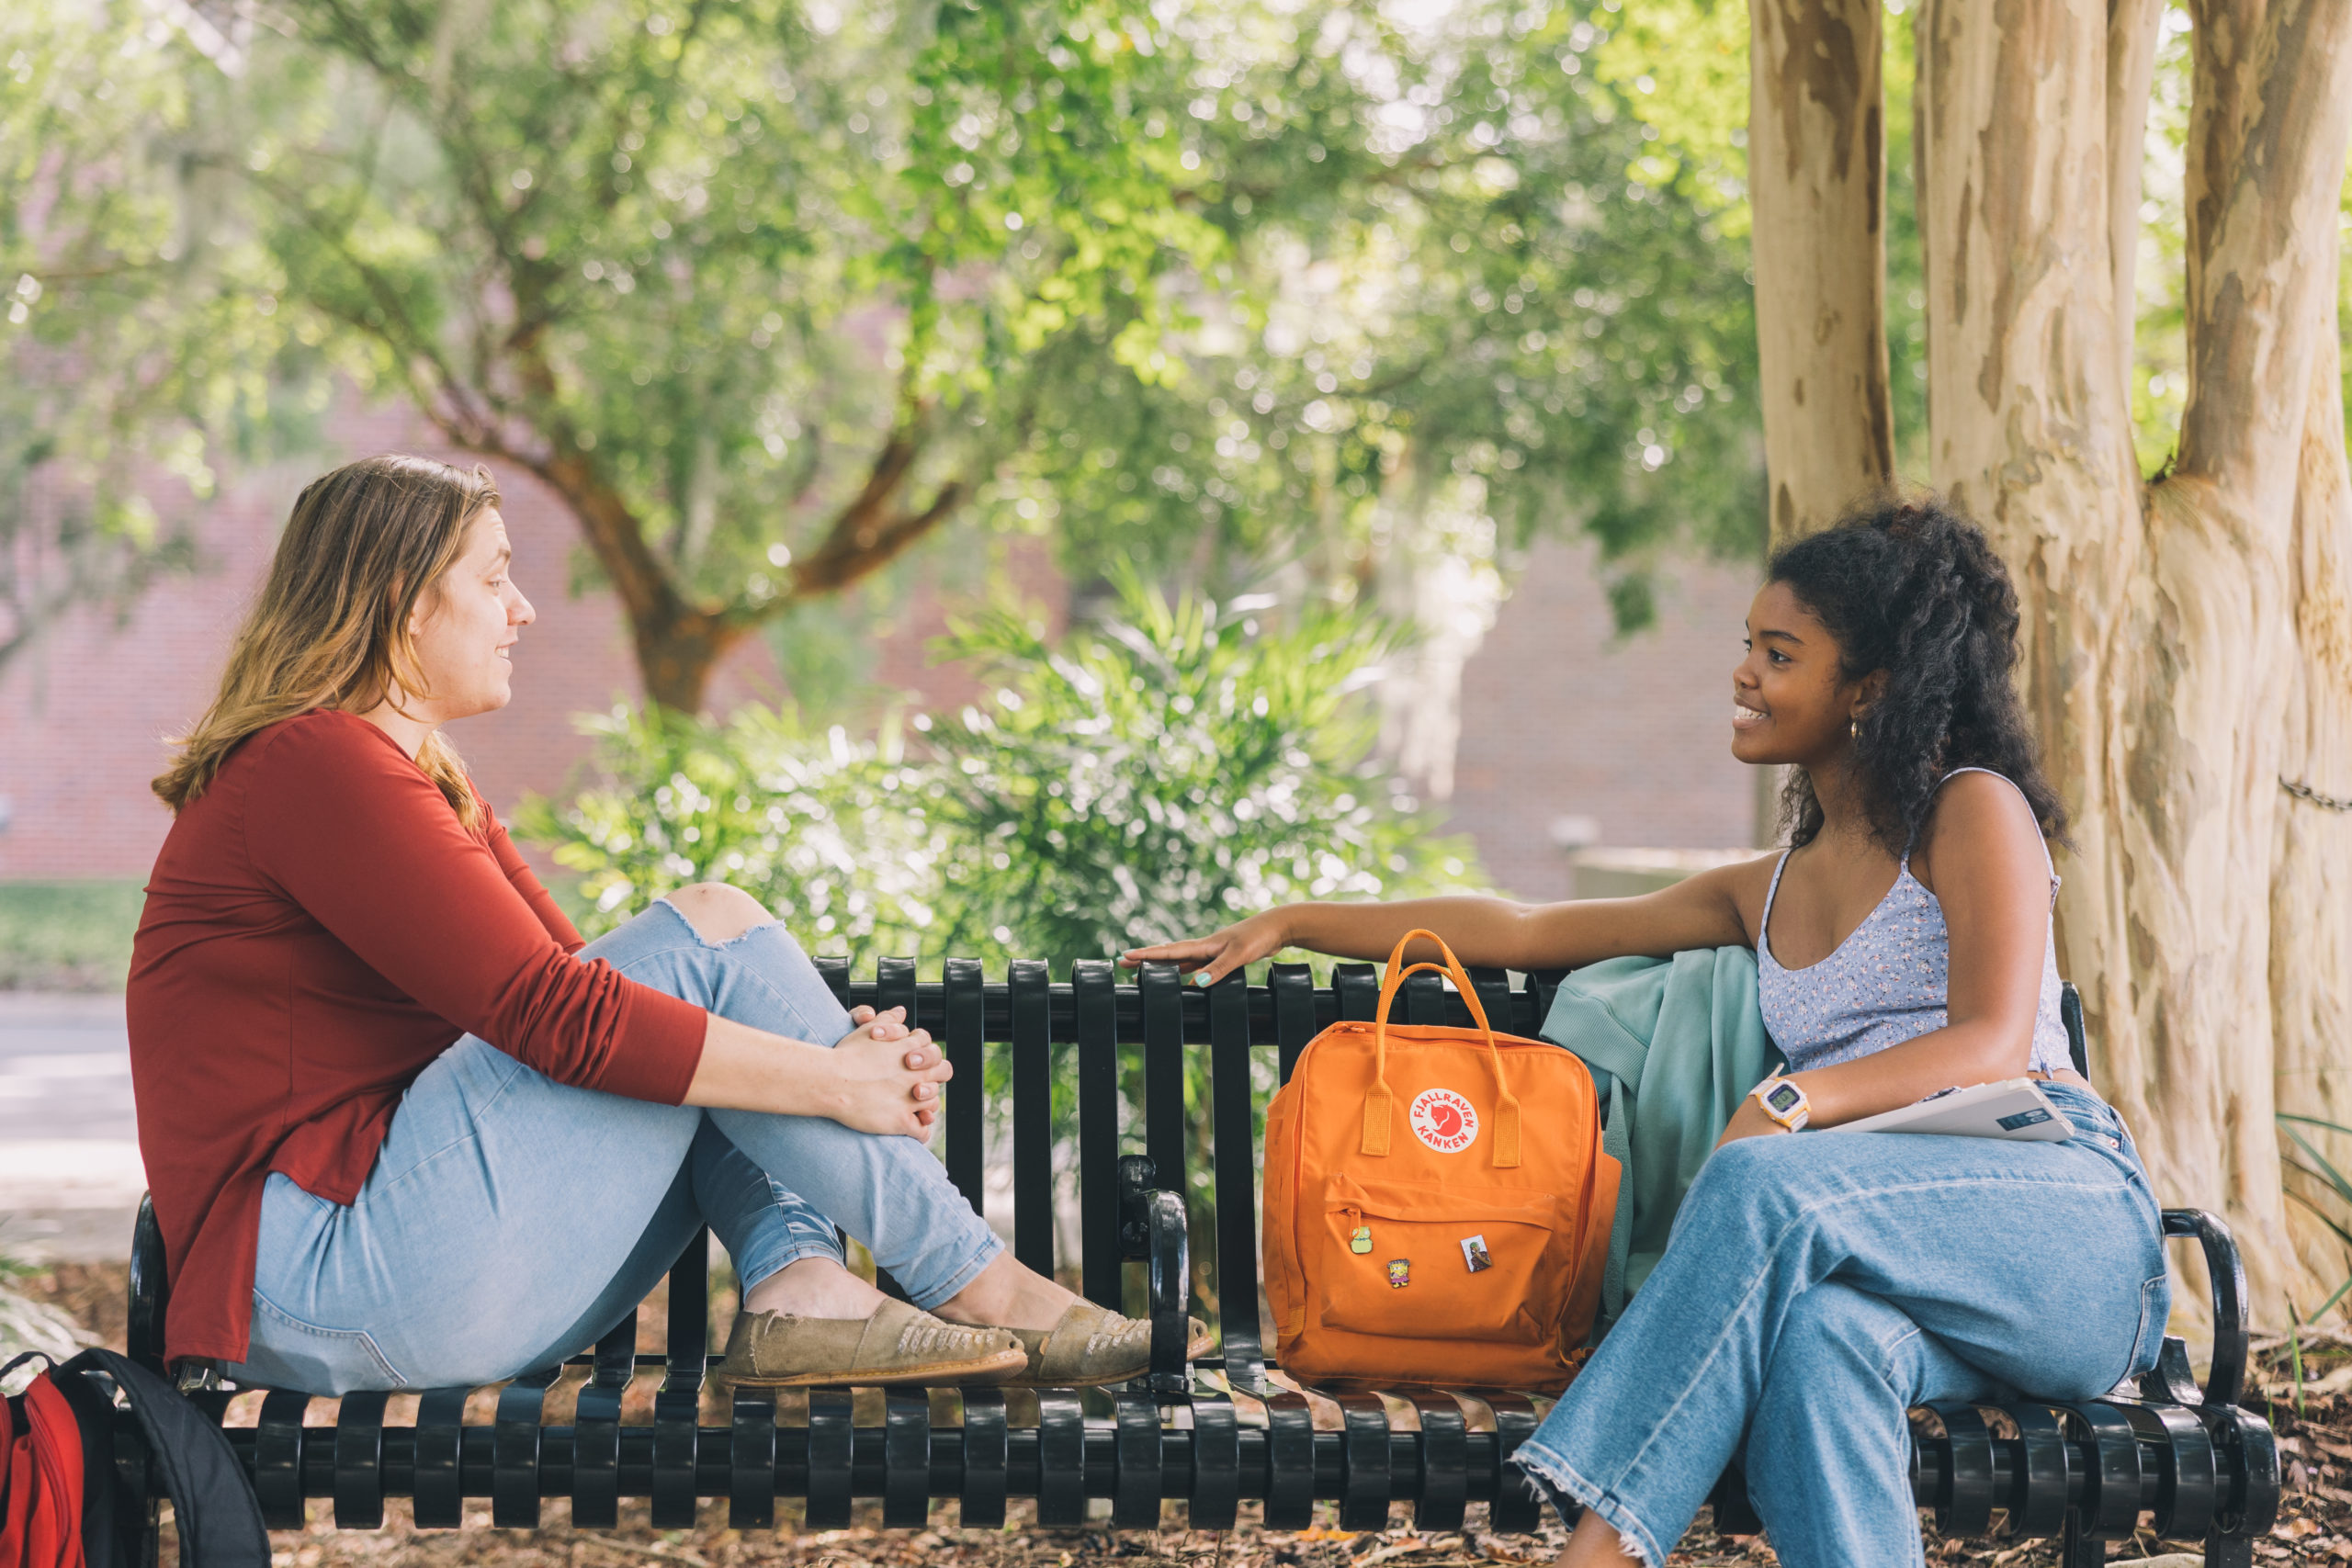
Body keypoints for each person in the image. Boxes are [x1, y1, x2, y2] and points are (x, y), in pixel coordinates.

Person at [1124, 497, 2168, 1568]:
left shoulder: (1970, 811)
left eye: (1779, 653)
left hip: (2060, 1228)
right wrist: (1297, 921)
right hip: (1891, 1269)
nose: (1743, 674)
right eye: (1747, 647)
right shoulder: (1767, 889)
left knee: (1766, 1179)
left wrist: (1792, 1100)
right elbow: (1527, 929)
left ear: (1870, 688)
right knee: (1816, 1350)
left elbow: (1993, 1042)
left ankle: (1596, 1551)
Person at [130, 454, 1206, 1396]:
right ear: (407, 603)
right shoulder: (313, 765)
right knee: (710, 931)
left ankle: (801, 1286)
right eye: (495, 578)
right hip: (318, 1275)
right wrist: (837, 1081)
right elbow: (559, 1016)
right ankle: (988, 1286)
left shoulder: (424, 783)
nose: (523, 612)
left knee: (696, 992)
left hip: (394, 1276)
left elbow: (607, 1014)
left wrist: (828, 1058)